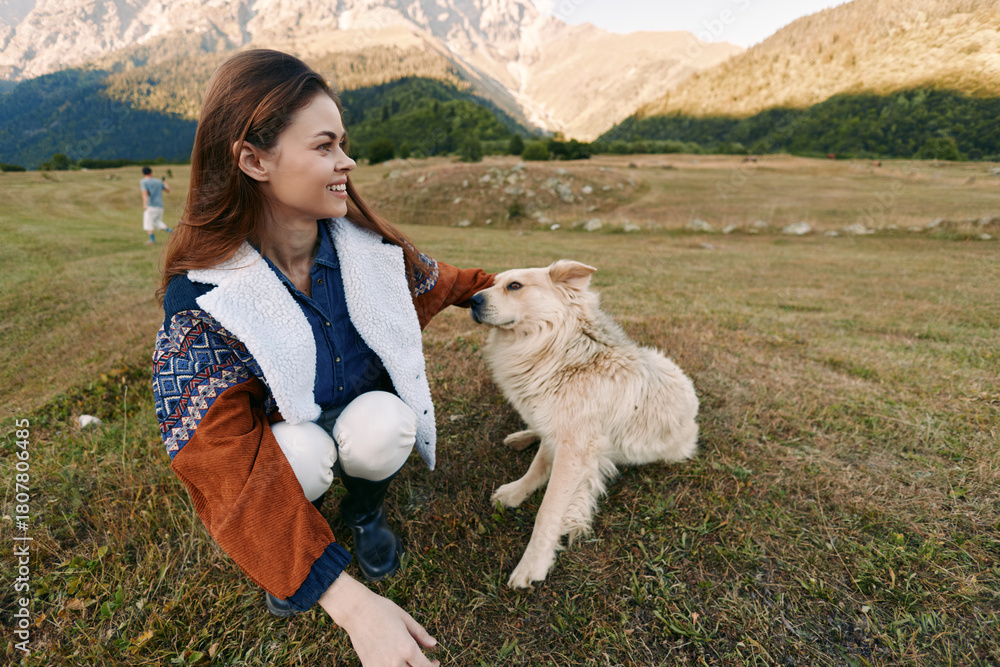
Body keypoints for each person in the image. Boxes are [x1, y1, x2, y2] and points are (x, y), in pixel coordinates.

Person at [152, 49, 494, 666]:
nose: (347, 162)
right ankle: (300, 545)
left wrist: (504, 287)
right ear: (253, 159)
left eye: (344, 144)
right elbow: (216, 457)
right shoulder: (205, 297)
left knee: (388, 424)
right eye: (325, 146)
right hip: (293, 431)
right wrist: (350, 603)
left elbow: (439, 281)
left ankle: (365, 513)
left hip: (362, 410)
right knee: (301, 456)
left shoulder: (372, 252)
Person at [140, 166, 172, 244]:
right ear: (151, 173)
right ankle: (173, 232)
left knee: (148, 223)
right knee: (158, 222)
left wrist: (144, 205)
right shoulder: (158, 181)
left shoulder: (144, 182)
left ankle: (152, 240)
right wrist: (164, 182)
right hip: (160, 206)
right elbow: (168, 190)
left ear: (143, 173)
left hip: (150, 206)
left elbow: (145, 194)